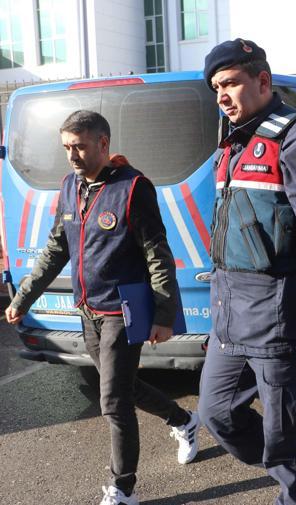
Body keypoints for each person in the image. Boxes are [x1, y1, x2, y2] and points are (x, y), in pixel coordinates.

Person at [4, 110, 199, 505]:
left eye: (79, 146)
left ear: (103, 144)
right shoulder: (69, 187)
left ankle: (122, 487)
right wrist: (23, 297)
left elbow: (157, 255)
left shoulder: (133, 187)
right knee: (122, 388)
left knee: (111, 401)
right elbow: (57, 248)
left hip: (120, 311)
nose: (72, 155)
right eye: (66, 148)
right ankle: (184, 420)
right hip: (86, 309)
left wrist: (163, 315)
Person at [196, 39, 296, 505]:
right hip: (231, 314)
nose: (221, 95)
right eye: (215, 87)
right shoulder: (233, 141)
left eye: (230, 83)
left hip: (281, 315)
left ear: (262, 81)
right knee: (216, 413)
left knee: (286, 435)